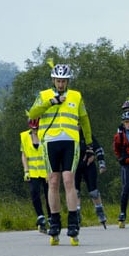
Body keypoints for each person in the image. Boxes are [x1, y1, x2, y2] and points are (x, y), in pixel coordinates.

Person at [27, 63, 93, 245]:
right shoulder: (44, 95)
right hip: (50, 142)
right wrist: (51, 102)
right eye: (58, 81)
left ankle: (73, 223)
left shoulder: (76, 96)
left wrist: (89, 144)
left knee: (69, 180)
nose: (61, 84)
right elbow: (32, 113)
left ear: (68, 81)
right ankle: (54, 222)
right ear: (53, 80)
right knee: (53, 181)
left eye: (64, 81)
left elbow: (85, 120)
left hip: (70, 141)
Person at [20, 118, 50, 233]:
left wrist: (50, 171)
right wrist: (26, 171)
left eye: (37, 128)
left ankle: (51, 217)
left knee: (49, 196)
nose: (35, 131)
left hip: (46, 172)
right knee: (34, 193)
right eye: (33, 129)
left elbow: (49, 154)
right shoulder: (24, 136)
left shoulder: (46, 134)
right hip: (33, 172)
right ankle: (40, 216)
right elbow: (24, 155)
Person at [112, 111, 129, 227]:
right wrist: (120, 158)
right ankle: (122, 213)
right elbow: (116, 148)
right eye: (127, 122)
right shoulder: (119, 135)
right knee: (126, 187)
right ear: (123, 123)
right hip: (126, 163)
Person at [75, 128, 108, 227]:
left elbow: (98, 149)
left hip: (88, 164)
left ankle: (99, 210)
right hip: (75, 165)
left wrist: (101, 163)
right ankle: (76, 212)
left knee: (93, 191)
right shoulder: (69, 135)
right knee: (75, 191)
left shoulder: (86, 134)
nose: (77, 126)